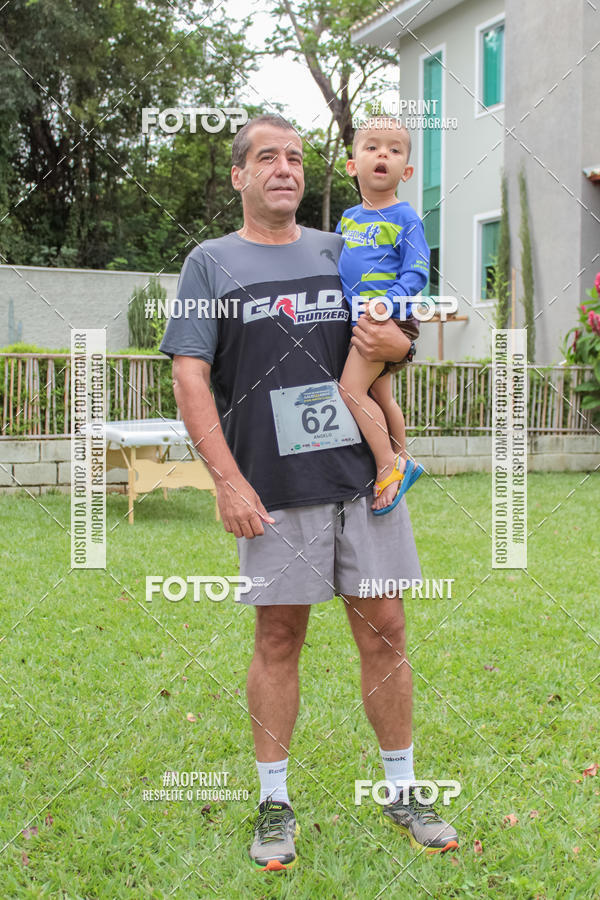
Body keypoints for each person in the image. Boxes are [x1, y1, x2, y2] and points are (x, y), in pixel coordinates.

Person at [159, 113, 459, 870]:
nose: (284, 169)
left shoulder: (343, 244)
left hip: (365, 481)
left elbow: (392, 332)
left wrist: (405, 343)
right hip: (275, 487)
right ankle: (274, 802)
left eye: (295, 157)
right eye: (267, 158)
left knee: (386, 632)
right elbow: (190, 373)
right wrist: (225, 479)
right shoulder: (210, 263)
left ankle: (402, 788)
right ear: (239, 176)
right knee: (278, 638)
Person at [337, 117, 428, 514]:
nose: (382, 155)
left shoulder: (405, 217)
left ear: (405, 171)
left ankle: (386, 466)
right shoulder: (349, 218)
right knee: (381, 394)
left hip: (384, 318)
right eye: (372, 147)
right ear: (352, 165)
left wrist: (386, 304)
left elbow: (418, 269)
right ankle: (404, 457)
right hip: (360, 316)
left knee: (349, 390)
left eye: (393, 150)